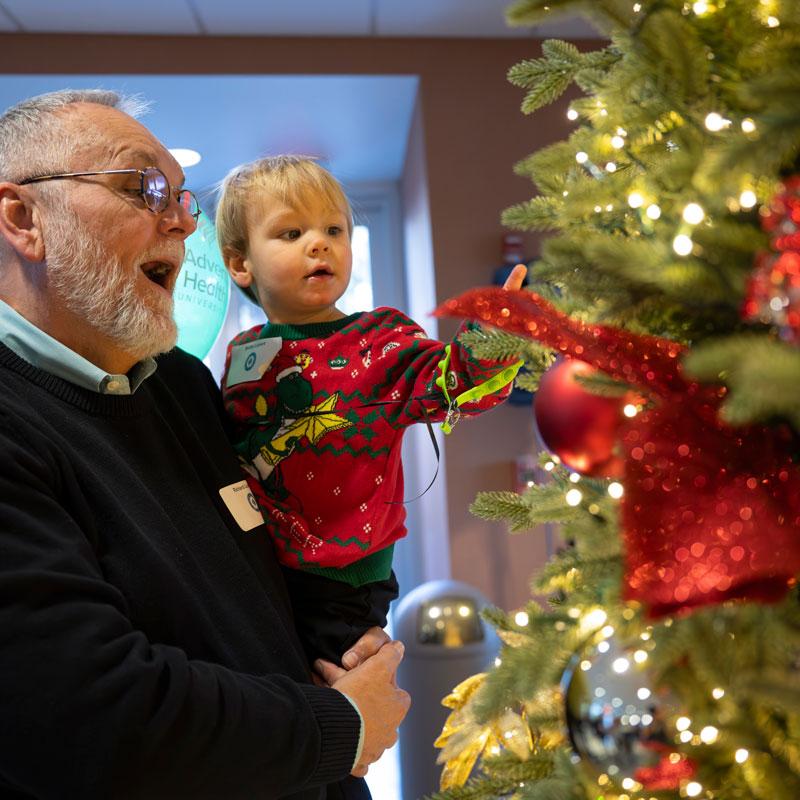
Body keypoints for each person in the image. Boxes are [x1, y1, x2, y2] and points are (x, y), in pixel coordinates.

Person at [0, 89, 409, 799]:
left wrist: (340, 644)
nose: (180, 225)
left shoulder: (183, 385)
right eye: (143, 189)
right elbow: (92, 720)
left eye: (184, 201)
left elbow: (260, 576)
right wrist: (340, 722)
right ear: (23, 218)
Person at [216, 156, 527, 664]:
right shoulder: (243, 351)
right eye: (291, 232)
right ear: (240, 263)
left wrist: (495, 337)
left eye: (334, 229)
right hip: (261, 563)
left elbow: (453, 384)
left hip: (345, 576)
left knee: (344, 695)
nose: (319, 243)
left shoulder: (379, 338)